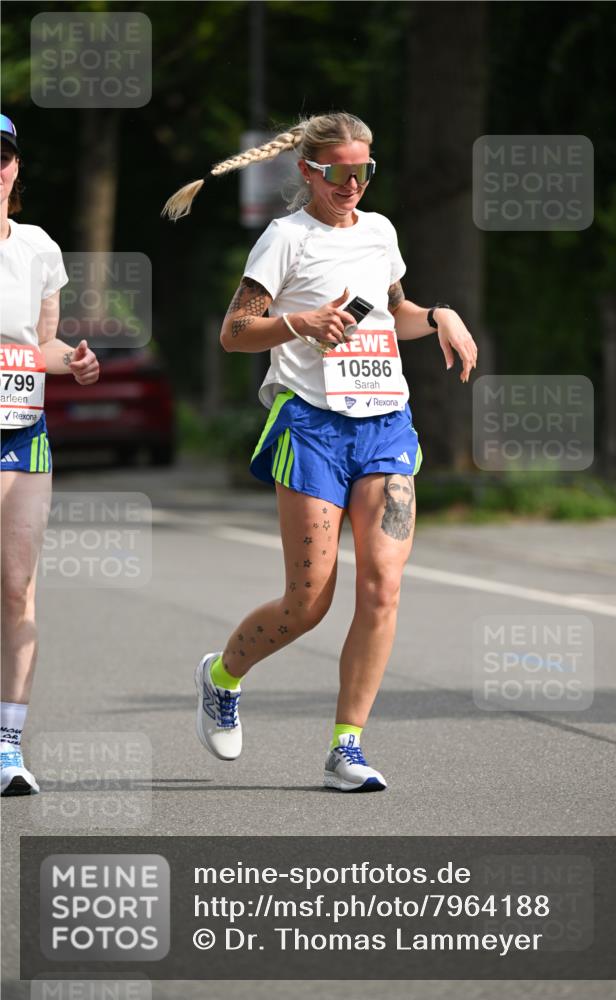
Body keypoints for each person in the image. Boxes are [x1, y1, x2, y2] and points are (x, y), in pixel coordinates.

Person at [163, 111, 477, 791]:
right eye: (339, 173)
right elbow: (234, 333)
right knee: (308, 602)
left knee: (382, 585)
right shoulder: (285, 239)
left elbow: (394, 311)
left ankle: (346, 746)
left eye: (364, 171)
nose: (353, 185)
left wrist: (439, 316)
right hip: (311, 427)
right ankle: (221, 677)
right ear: (308, 172)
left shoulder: (381, 233)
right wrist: (297, 323)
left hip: (385, 423)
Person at [0, 114, 100, 795]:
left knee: (16, 586)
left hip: (21, 430)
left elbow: (43, 346)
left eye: (2, 157)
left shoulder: (38, 247)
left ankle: (7, 744)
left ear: (15, 169)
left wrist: (76, 362)